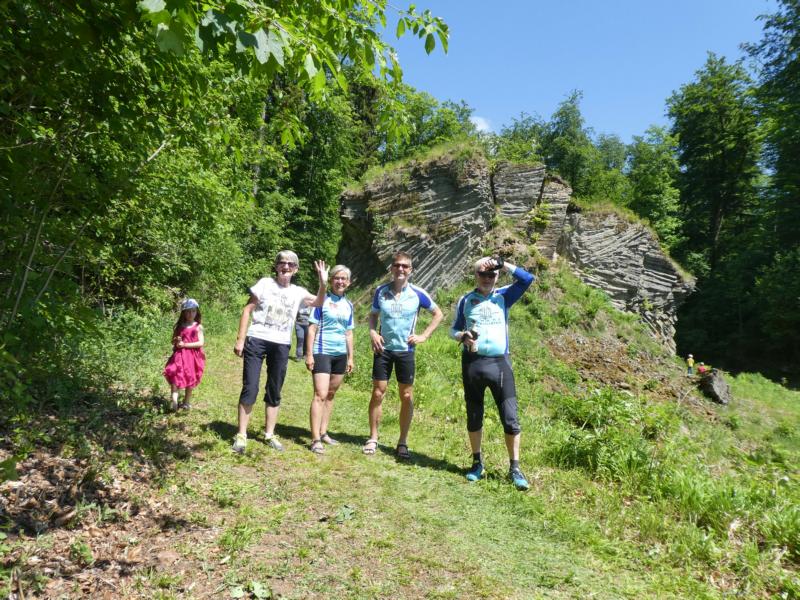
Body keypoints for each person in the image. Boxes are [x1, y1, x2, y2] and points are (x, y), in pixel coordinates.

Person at [232, 252, 329, 454]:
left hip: (281, 344)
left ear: (296, 269)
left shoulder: (299, 292)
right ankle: (241, 435)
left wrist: (323, 283)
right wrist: (240, 339)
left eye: (290, 264)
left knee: (274, 388)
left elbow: (320, 302)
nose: (286, 267)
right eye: (282, 263)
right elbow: (247, 310)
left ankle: (269, 434)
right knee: (250, 386)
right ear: (276, 266)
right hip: (257, 339)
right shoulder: (265, 284)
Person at [451, 256, 535, 491]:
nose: (487, 278)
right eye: (482, 274)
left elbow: (527, 279)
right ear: (475, 275)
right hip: (473, 363)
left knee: (510, 417)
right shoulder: (466, 299)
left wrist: (502, 263)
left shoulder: (504, 295)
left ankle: (515, 468)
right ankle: (477, 463)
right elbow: (453, 329)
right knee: (474, 414)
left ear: (497, 276)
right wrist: (462, 336)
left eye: (492, 274)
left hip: (500, 364)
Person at [363, 251, 443, 459]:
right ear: (391, 268)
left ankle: (402, 442)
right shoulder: (381, 291)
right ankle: (373, 437)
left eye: (405, 266)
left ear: (410, 270)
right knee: (378, 393)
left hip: (406, 351)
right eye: (397, 265)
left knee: (406, 396)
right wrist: (372, 332)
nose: (400, 269)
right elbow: (373, 315)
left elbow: (438, 314)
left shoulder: (418, 293)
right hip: (383, 349)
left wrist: (424, 335)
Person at [306, 265, 355, 454]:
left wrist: (350, 358)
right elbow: (312, 329)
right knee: (320, 394)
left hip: (340, 354)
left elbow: (348, 333)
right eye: (336, 278)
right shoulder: (322, 300)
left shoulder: (349, 305)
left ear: (348, 282)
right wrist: (309, 354)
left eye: (344, 279)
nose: (340, 281)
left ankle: (323, 432)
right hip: (322, 351)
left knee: (331, 394)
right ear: (331, 280)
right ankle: (315, 439)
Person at [163, 298, 205, 411]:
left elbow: (200, 343)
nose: (191, 314)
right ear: (183, 313)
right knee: (175, 374)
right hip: (179, 356)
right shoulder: (179, 326)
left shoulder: (198, 327)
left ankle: (186, 402)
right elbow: (173, 341)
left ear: (197, 312)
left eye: (193, 311)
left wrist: (185, 344)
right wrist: (176, 341)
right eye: (188, 311)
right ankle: (174, 400)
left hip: (192, 357)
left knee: (190, 377)